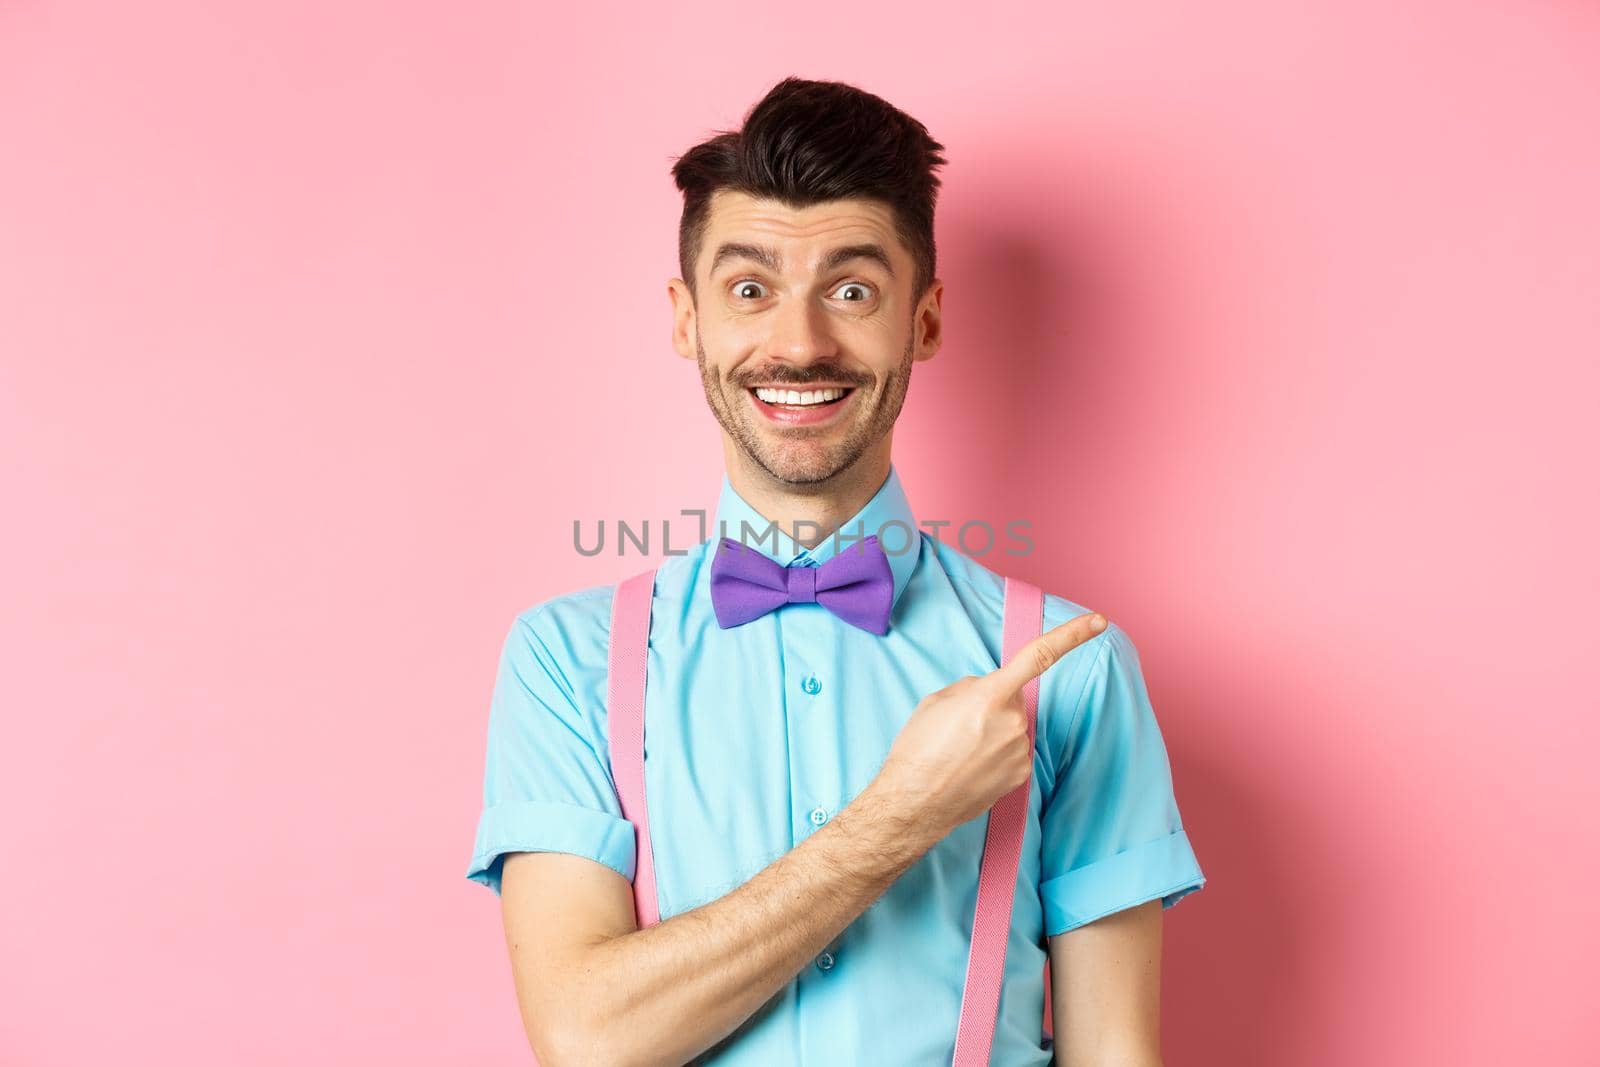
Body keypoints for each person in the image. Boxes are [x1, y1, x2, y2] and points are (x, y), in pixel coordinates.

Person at [465, 75, 1205, 1066]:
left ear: (925, 321)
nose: (799, 342)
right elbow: (588, 1037)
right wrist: (904, 815)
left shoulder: (1064, 666)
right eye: (749, 290)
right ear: (687, 320)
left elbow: (1115, 1050)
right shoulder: (568, 658)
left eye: (851, 291)